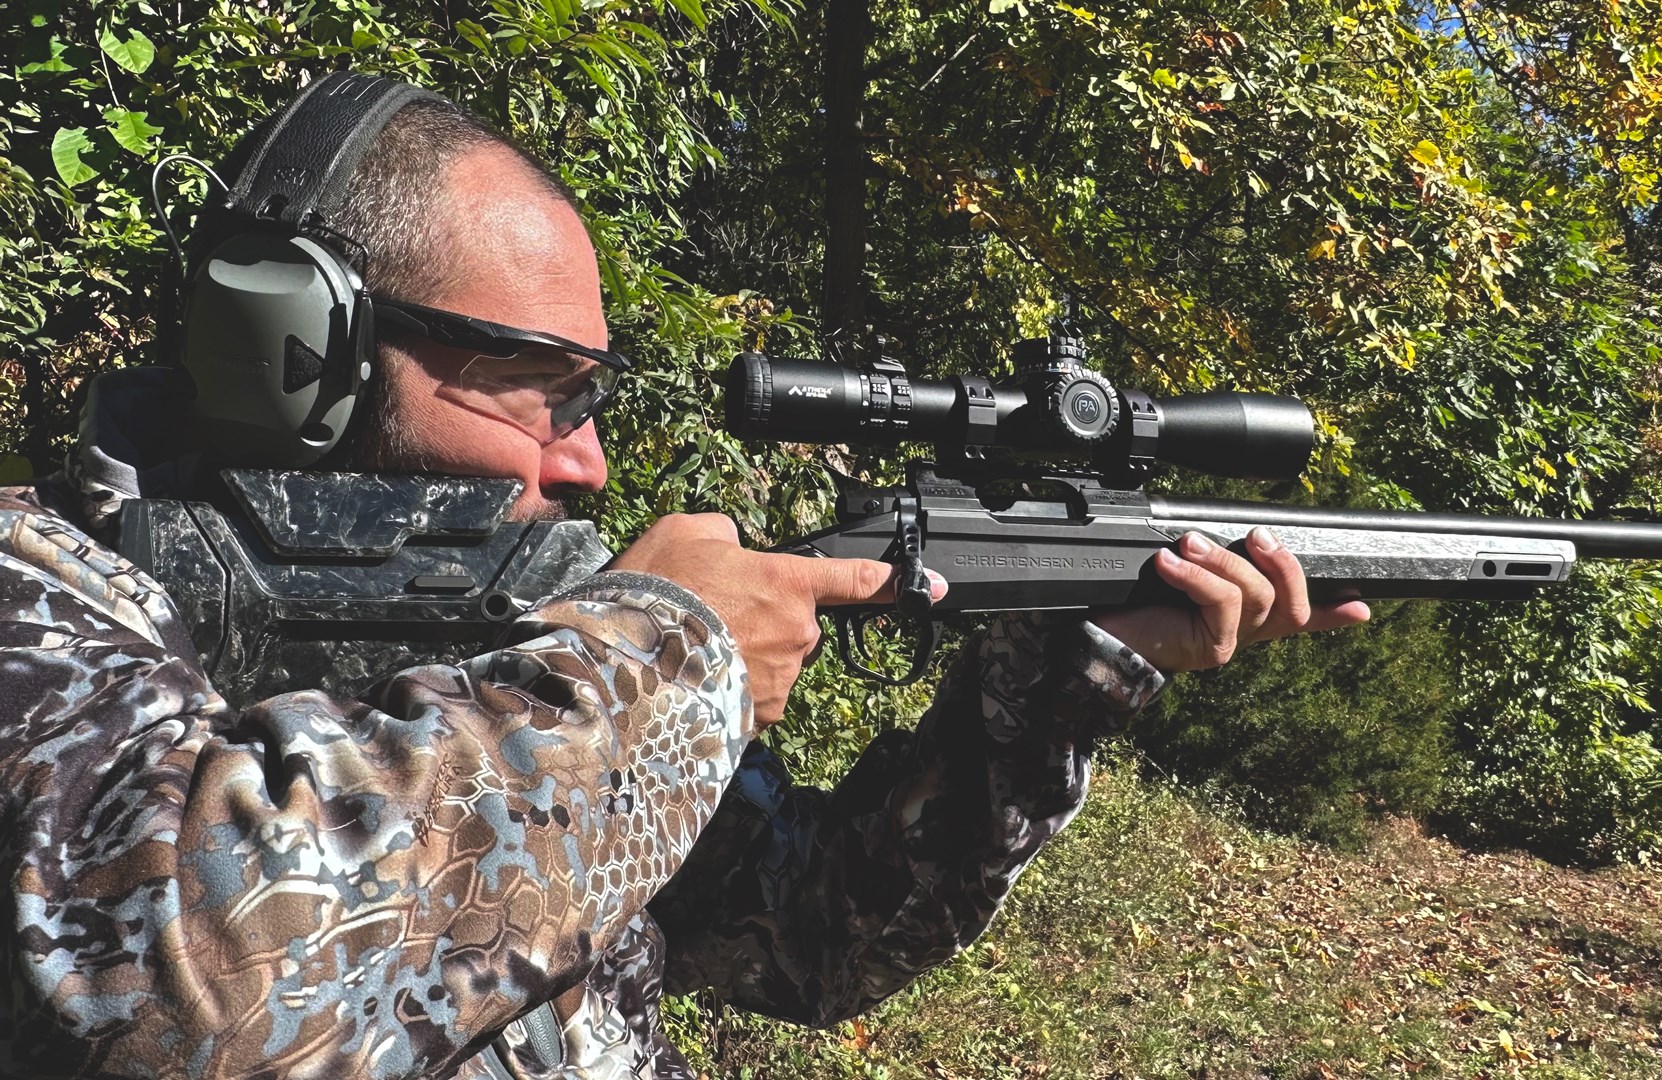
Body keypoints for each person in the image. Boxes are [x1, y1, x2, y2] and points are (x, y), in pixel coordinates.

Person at [0, 74, 1368, 1079]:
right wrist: (661, 654)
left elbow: (811, 937)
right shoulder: (43, 590)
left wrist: (1077, 675)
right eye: (546, 390)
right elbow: (164, 994)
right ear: (297, 350)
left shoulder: (531, 658)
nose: (589, 463)